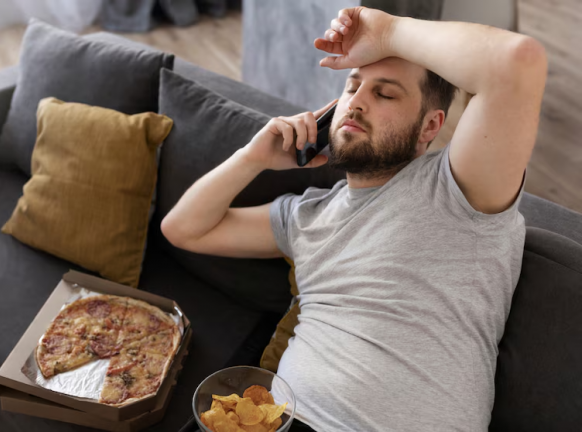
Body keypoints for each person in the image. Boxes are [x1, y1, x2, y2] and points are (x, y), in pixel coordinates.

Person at [162, 6, 548, 432]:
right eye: (352, 87)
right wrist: (252, 158)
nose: (358, 102)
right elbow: (183, 229)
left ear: (428, 128)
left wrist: (388, 31)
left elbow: (519, 61)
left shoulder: (458, 189)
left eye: (385, 94)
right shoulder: (305, 215)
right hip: (277, 421)